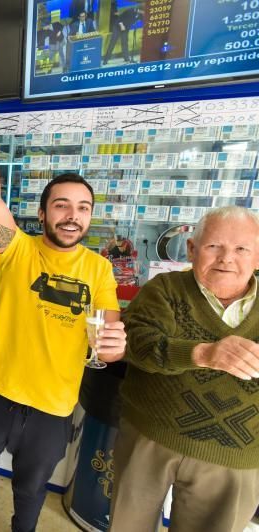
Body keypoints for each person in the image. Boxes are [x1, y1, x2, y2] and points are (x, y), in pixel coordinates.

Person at [0, 81, 126, 532]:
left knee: (32, 486)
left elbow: (106, 343)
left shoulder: (100, 270)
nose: (72, 215)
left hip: (53, 406)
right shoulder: (16, 250)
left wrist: (112, 347)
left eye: (82, 208)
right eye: (61, 205)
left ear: (89, 217)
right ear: (43, 213)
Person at [110, 206, 259, 532]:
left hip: (236, 455)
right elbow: (138, 344)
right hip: (149, 435)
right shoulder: (165, 290)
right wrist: (203, 353)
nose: (226, 258)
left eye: (241, 249)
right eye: (213, 246)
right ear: (192, 249)